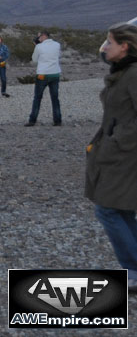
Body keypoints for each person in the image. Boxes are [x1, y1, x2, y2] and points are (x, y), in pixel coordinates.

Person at [85, 23, 137, 290]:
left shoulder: (133, 74)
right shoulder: (123, 72)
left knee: (106, 208)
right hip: (119, 152)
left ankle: (133, 269)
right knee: (123, 208)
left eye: (109, 42)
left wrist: (116, 142)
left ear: (124, 46)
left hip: (126, 155)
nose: (104, 47)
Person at [26, 31, 62, 126]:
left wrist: (36, 46)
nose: (37, 38)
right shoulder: (57, 45)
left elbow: (34, 59)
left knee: (37, 98)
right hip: (54, 74)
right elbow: (58, 56)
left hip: (42, 74)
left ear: (43, 36)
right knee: (55, 98)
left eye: (38, 37)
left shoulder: (39, 47)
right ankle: (57, 120)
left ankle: (32, 120)